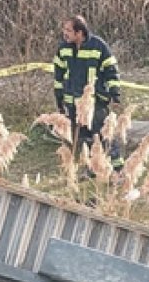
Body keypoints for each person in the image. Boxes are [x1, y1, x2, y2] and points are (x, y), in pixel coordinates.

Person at [52, 15, 124, 168]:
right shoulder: (63, 48)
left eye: (68, 30)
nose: (64, 33)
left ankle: (117, 166)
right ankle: (93, 167)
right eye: (64, 29)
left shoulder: (98, 46)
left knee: (104, 133)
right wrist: (59, 98)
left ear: (80, 33)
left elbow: (111, 70)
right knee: (83, 138)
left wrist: (115, 93)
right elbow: (58, 75)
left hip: (94, 101)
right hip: (72, 102)